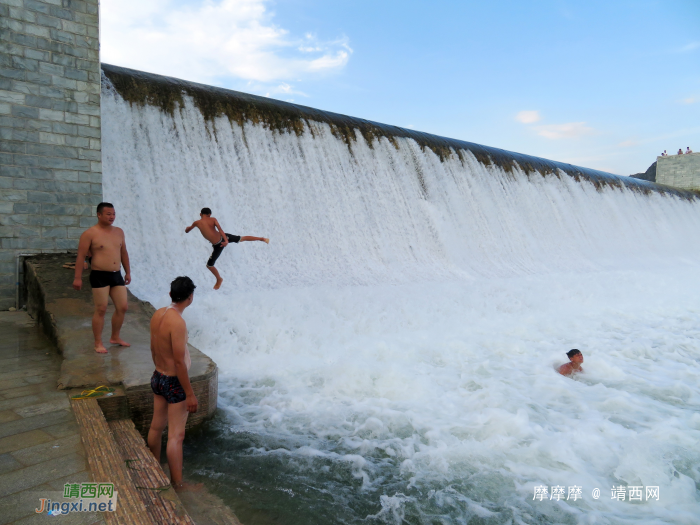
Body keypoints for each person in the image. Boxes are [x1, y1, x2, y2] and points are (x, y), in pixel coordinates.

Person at [147, 276, 198, 490]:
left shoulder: (159, 314)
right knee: (176, 436)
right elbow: (178, 361)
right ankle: (178, 484)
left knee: (157, 427)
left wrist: (160, 371)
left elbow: (153, 347)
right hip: (174, 382)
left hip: (158, 376)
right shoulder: (178, 322)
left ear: (170, 294)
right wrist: (189, 394)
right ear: (190, 298)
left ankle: (153, 468)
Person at [73, 202, 131, 354]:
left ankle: (115, 337)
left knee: (123, 307)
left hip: (116, 274)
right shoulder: (90, 234)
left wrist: (128, 272)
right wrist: (77, 277)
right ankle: (98, 342)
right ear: (99, 215)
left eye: (113, 214)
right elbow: (80, 256)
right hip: (99, 275)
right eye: (108, 214)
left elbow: (124, 252)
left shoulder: (119, 232)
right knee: (101, 309)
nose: (112, 217)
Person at [185, 207, 269, 290]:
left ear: (200, 214)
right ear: (209, 214)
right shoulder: (211, 219)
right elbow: (220, 230)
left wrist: (226, 241)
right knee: (241, 239)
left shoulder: (196, 223)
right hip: (220, 242)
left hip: (222, 240)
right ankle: (262, 238)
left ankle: (218, 279)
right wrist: (226, 241)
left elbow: (187, 230)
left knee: (210, 265)